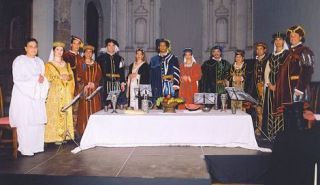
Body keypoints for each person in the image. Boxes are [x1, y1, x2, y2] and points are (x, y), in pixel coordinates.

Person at [9, 38, 49, 156]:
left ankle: (36, 146)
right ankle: (25, 148)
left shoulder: (40, 62)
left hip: (37, 96)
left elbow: (43, 78)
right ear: (25, 48)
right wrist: (35, 80)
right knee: (26, 120)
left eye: (35, 46)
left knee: (36, 120)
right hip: (23, 96)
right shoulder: (20, 60)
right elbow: (18, 79)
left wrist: (42, 80)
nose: (33, 49)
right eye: (30, 46)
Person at [274, 25, 314, 131]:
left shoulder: (304, 51)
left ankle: (301, 145)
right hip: (287, 92)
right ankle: (291, 144)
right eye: (291, 36)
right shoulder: (288, 53)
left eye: (295, 36)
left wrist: (300, 89)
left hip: (297, 91)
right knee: (288, 121)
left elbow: (307, 71)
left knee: (298, 121)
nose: (292, 38)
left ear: (300, 37)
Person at [44, 41, 75, 144]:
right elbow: (47, 77)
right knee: (56, 112)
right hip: (55, 93)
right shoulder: (48, 65)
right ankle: (55, 137)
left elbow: (71, 76)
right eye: (57, 50)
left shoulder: (67, 64)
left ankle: (64, 135)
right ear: (53, 51)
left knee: (65, 111)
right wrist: (59, 77)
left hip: (66, 92)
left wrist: (68, 77)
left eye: (61, 50)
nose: (59, 52)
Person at [262, 32, 289, 139]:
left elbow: (287, 71)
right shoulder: (271, 55)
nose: (278, 42)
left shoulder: (287, 54)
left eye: (280, 39)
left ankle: (280, 134)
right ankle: (270, 133)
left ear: (283, 41)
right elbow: (267, 71)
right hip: (271, 86)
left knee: (279, 109)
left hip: (282, 87)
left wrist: (278, 85)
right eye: (276, 40)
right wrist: (268, 83)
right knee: (270, 109)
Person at [76, 45, 102, 135]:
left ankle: (95, 132)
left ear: (92, 53)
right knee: (84, 110)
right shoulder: (82, 63)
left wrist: (94, 83)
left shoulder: (96, 65)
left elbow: (99, 77)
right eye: (87, 51)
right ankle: (84, 132)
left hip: (94, 91)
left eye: (90, 52)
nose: (88, 53)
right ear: (84, 53)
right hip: (85, 90)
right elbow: (79, 76)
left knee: (95, 109)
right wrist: (85, 84)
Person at [246, 42, 269, 136]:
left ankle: (262, 128)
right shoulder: (254, 62)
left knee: (263, 109)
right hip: (255, 89)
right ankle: (256, 127)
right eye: (257, 49)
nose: (258, 51)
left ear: (265, 50)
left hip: (264, 89)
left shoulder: (268, 61)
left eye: (260, 49)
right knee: (256, 109)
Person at [97, 38, 125, 106]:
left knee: (115, 102)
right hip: (105, 83)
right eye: (109, 45)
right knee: (105, 103)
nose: (111, 47)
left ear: (115, 47)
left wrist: (122, 83)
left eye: (113, 45)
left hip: (116, 83)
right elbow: (98, 71)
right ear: (106, 47)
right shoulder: (100, 58)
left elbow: (122, 71)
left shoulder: (120, 59)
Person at [150, 38, 180, 103]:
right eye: (161, 45)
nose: (162, 47)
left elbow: (177, 72)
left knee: (169, 107)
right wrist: (151, 87)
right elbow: (151, 74)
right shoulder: (153, 59)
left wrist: (175, 83)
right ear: (158, 47)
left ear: (167, 47)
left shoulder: (173, 58)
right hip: (157, 88)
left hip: (169, 87)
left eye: (164, 45)